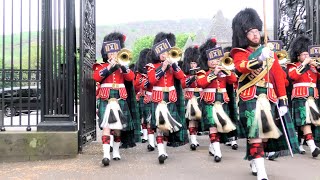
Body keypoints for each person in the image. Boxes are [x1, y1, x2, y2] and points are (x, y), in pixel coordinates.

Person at [230, 8, 299, 180]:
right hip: (250, 96)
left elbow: (277, 77)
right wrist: (259, 58)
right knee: (255, 134)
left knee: (265, 136)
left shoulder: (270, 53)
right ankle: (262, 172)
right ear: (243, 34)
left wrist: (283, 101)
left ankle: (254, 158)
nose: (255, 34)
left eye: (256, 30)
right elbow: (240, 67)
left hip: (268, 97)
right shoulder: (239, 52)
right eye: (250, 31)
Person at [93, 32, 140, 166]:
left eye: (116, 52)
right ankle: (106, 155)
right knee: (107, 127)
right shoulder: (101, 66)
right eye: (111, 52)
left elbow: (131, 78)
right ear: (106, 54)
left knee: (118, 128)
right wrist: (109, 67)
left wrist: (123, 66)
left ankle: (116, 152)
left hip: (119, 98)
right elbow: (96, 77)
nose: (113, 55)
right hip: (106, 98)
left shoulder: (122, 67)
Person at [146, 32, 188, 164]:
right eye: (162, 52)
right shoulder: (152, 66)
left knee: (167, 128)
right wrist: (163, 68)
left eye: (166, 52)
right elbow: (152, 80)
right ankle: (161, 152)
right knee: (159, 127)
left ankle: (163, 149)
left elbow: (182, 78)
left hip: (170, 98)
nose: (164, 54)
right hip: (158, 99)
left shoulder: (173, 66)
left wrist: (174, 65)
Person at [197, 38, 238, 162]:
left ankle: (212, 146)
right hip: (210, 101)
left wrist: (226, 70)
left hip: (222, 100)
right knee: (213, 126)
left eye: (217, 59)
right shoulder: (202, 72)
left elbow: (233, 80)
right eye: (212, 59)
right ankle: (218, 153)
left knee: (220, 127)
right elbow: (201, 83)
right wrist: (214, 73)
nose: (215, 62)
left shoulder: (224, 71)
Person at [288, 35, 320, 158]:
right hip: (300, 95)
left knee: (310, 122)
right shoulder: (293, 65)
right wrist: (304, 64)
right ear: (298, 56)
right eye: (304, 55)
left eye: (308, 54)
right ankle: (312, 147)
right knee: (304, 120)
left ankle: (300, 143)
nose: (307, 57)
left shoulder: (313, 67)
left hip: (313, 95)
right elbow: (293, 77)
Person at [181, 45, 203, 150]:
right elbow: (183, 84)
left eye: (195, 62)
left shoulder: (201, 73)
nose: (193, 65)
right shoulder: (185, 74)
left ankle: (195, 137)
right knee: (192, 119)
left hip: (200, 96)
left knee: (199, 120)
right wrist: (191, 78)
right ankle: (193, 140)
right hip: (190, 96)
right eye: (192, 63)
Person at [134, 48, 151, 144]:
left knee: (151, 117)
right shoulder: (139, 74)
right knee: (144, 116)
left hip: (152, 96)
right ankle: (145, 135)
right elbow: (136, 84)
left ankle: (151, 135)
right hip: (142, 96)